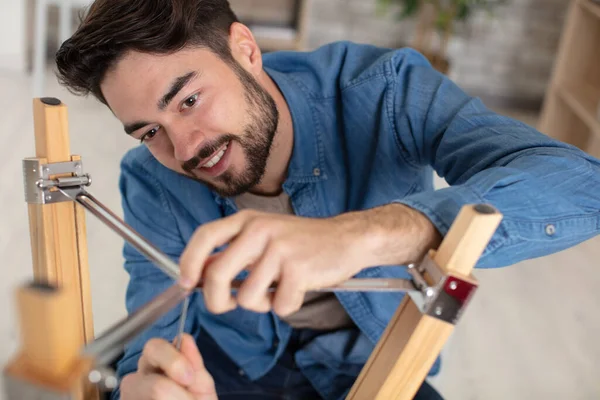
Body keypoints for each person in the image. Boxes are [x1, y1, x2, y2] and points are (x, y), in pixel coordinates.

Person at [54, 0, 600, 399]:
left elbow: (581, 184)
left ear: (245, 50)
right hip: (230, 367)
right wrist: (146, 382)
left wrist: (362, 234)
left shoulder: (389, 90)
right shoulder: (150, 176)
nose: (185, 147)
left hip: (370, 364)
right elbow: (154, 314)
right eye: (149, 131)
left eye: (190, 99)